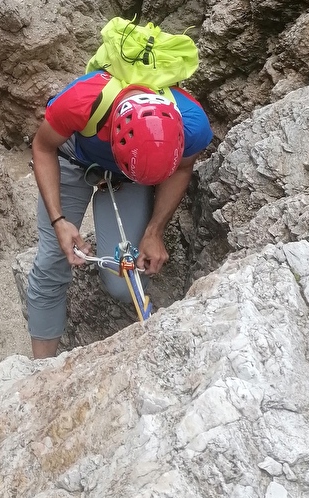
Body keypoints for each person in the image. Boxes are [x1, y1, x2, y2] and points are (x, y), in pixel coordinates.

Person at [26, 65, 214, 358]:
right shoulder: (82, 101)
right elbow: (43, 147)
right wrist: (58, 220)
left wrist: (155, 231)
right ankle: (38, 369)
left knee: (124, 283)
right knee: (52, 261)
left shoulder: (192, 125)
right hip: (72, 156)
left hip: (133, 175)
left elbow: (183, 168)